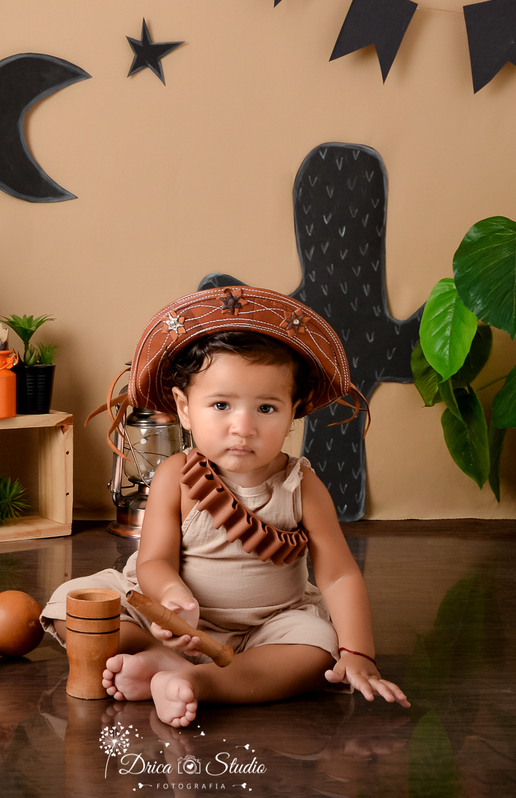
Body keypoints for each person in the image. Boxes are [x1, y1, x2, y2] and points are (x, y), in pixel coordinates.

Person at [40, 287, 408, 727]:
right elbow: (154, 560)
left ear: (294, 412)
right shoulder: (175, 475)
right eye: (220, 404)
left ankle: (202, 684)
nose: (243, 427)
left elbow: (339, 573)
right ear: (185, 408)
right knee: (72, 606)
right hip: (173, 621)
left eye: (267, 408)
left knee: (318, 649)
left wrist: (358, 653)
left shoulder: (302, 485)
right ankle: (161, 658)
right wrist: (172, 599)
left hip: (269, 626)